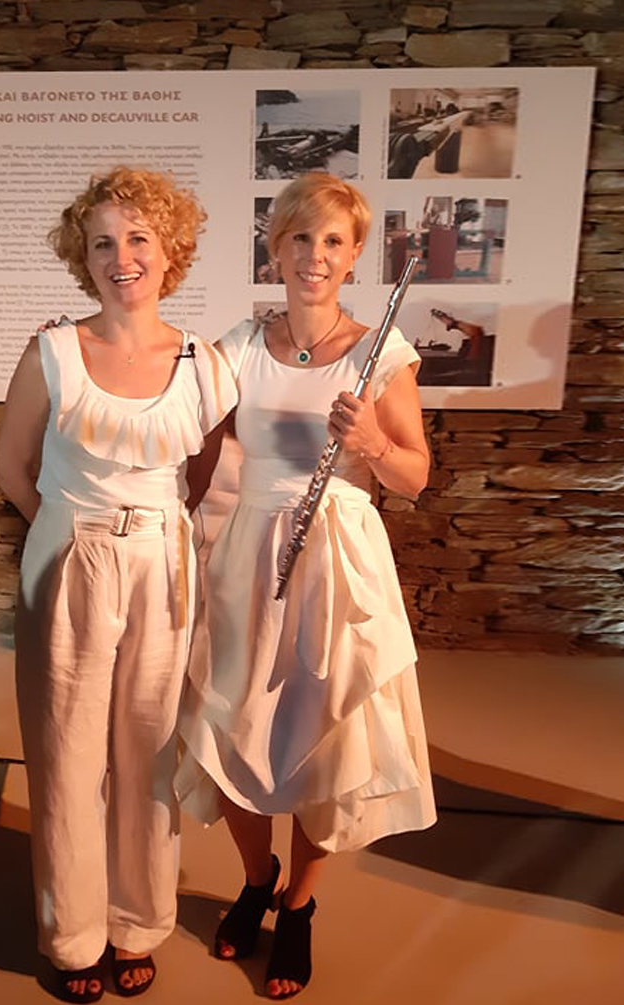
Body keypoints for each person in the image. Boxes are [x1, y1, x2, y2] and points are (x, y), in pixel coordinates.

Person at [178, 172, 436, 1000]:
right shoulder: (241, 344)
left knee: (323, 734)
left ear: (355, 255)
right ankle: (257, 878)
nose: (314, 256)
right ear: (276, 248)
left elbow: (415, 478)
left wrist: (372, 443)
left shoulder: (380, 353)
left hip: (339, 559)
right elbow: (195, 450)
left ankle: (298, 904)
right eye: (300, 238)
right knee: (233, 726)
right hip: (250, 554)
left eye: (332, 241)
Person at [0, 166, 233, 1004]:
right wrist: (70, 535)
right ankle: (72, 935)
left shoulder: (206, 363)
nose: (121, 256)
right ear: (82, 256)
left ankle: (138, 921)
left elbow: (201, 472)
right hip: (73, 556)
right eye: (102, 242)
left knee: (150, 751)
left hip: (162, 563)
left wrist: (149, 534)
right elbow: (13, 468)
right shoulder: (52, 352)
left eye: (137, 238)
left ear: (170, 251)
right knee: (65, 754)